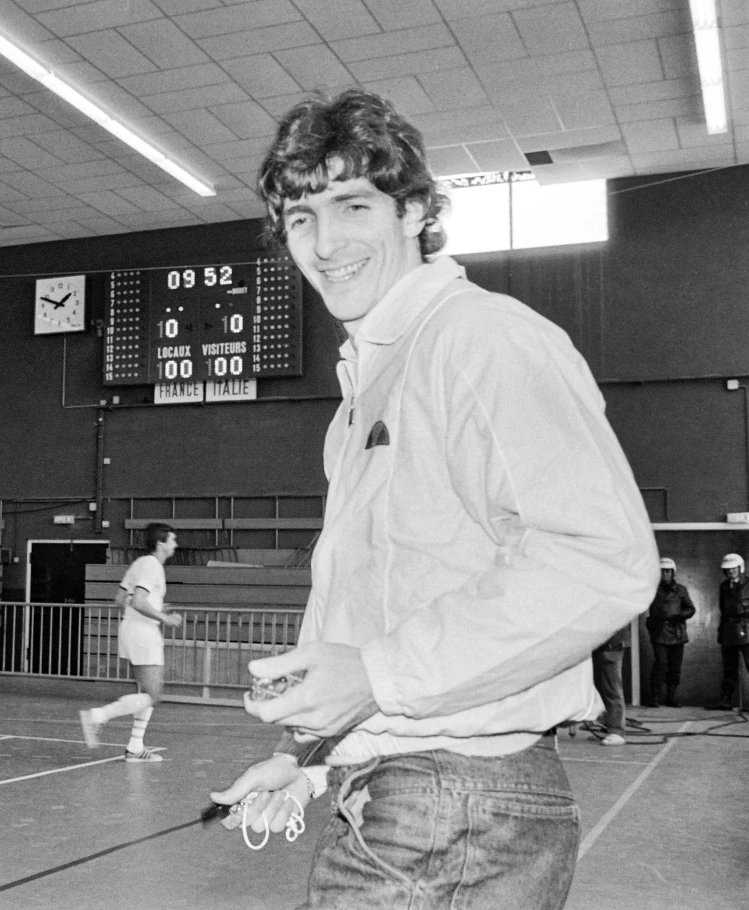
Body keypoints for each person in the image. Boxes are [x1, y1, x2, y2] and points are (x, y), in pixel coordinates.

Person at [209, 89, 658, 909]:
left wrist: (376, 676)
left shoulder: (479, 339)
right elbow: (392, 595)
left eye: (353, 205)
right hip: (401, 793)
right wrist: (311, 758)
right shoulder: (370, 386)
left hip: (456, 802)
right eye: (301, 218)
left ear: (415, 210)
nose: (325, 241)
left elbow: (604, 561)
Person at [79, 522, 182, 762]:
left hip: (131, 628)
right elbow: (138, 602)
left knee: (145, 691)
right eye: (172, 540)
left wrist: (154, 606)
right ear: (161, 543)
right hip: (144, 632)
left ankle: (135, 747)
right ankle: (97, 716)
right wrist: (163, 616)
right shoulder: (152, 565)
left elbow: (120, 599)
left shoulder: (139, 564)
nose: (175, 545)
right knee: (154, 695)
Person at [646, 557, 695, 707]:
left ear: (673, 573)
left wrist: (680, 616)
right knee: (660, 664)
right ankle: (654, 697)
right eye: (662, 572)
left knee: (675, 666)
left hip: (677, 632)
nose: (665, 575)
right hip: (659, 631)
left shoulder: (681, 590)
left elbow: (691, 609)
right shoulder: (651, 589)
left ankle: (671, 697)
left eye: (668, 571)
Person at [711, 552, 749, 711]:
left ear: (740, 568)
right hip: (728, 630)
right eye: (727, 569)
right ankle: (725, 701)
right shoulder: (724, 586)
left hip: (746, 628)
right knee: (729, 668)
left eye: (733, 569)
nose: (730, 572)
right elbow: (723, 609)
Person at [591, 627, 629, 745]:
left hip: (611, 648)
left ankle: (617, 731)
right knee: (602, 689)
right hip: (601, 648)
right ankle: (607, 727)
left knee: (612, 690)